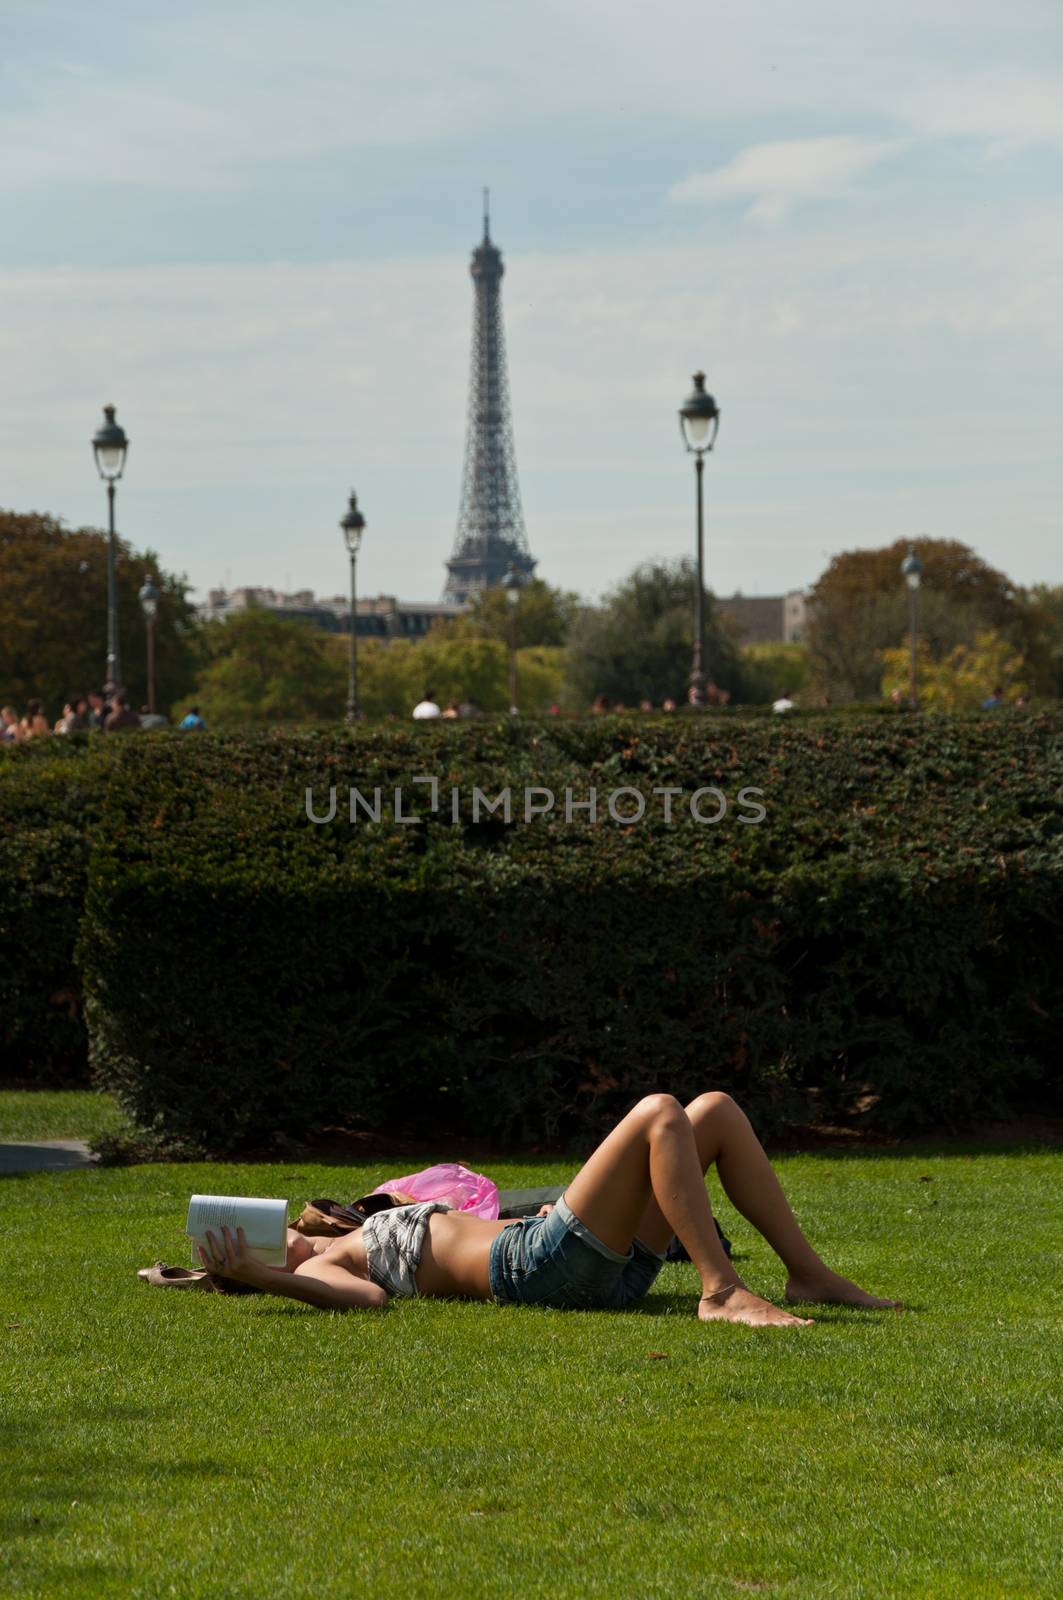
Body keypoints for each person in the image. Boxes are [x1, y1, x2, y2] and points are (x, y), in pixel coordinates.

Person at [198, 1090, 900, 1324]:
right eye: (266, 1237)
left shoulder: (345, 1231)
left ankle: (808, 1273)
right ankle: (719, 1291)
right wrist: (266, 1279)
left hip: (574, 1262)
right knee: (658, 1112)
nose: (286, 1228)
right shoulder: (329, 1264)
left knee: (709, 1111)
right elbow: (366, 1306)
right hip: (536, 1269)